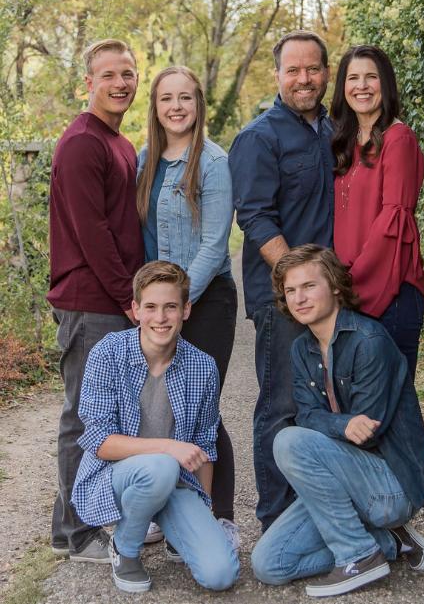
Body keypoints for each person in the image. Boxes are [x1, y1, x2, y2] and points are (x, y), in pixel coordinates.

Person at [251, 244, 424, 597]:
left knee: (288, 441)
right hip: (340, 479)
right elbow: (306, 415)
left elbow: (366, 434)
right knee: (269, 564)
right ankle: (390, 544)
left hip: (389, 486)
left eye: (309, 286)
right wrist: (341, 425)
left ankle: (358, 556)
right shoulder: (302, 348)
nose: (299, 298)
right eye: (291, 290)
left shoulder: (369, 341)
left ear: (334, 286)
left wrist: (336, 427)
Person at [71, 261, 240, 593]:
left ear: (186, 310)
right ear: (135, 310)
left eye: (170, 307)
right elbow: (100, 440)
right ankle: (126, 549)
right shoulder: (108, 353)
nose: (160, 318)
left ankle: (173, 527)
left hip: (174, 481)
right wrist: (167, 447)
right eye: (150, 307)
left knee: (220, 574)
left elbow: (205, 445)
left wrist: (203, 511)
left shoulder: (203, 367)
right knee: (161, 465)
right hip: (115, 477)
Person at [229, 30, 335, 531]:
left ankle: (316, 511)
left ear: (326, 74)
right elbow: (254, 217)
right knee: (282, 404)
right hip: (282, 299)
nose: (303, 79)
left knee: (325, 401)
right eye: (293, 70)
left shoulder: (333, 131)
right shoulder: (259, 137)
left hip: (331, 298)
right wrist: (297, 284)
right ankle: (275, 517)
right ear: (277, 76)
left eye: (312, 69)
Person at [47, 39, 144, 562]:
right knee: (84, 418)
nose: (120, 83)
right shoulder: (83, 143)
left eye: (127, 73)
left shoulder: (118, 142)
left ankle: (93, 515)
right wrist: (130, 298)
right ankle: (73, 534)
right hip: (91, 301)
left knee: (108, 415)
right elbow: (92, 233)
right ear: (89, 82)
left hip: (111, 300)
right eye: (108, 75)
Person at [136, 66, 238, 549]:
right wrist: (153, 304)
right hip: (162, 304)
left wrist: (181, 300)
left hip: (207, 299)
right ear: (155, 109)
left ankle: (219, 515)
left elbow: (215, 245)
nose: (176, 107)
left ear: (198, 104)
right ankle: (168, 510)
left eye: (185, 98)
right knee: (160, 408)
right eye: (165, 99)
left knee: (201, 407)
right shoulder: (145, 162)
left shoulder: (213, 162)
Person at [331, 44, 424, 380]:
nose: (362, 85)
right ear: (343, 86)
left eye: (371, 77)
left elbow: (393, 225)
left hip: (390, 291)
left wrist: (348, 283)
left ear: (385, 83)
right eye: (353, 77)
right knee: (362, 410)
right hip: (355, 292)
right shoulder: (345, 142)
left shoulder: (398, 139)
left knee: (394, 409)